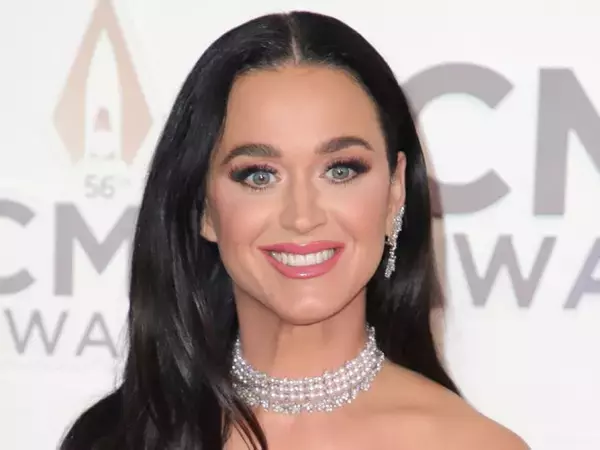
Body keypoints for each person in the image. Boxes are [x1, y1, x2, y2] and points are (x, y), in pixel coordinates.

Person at [60, 10, 529, 450]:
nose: (302, 216)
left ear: (394, 193)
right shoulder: (116, 436)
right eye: (259, 175)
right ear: (204, 208)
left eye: (341, 170)